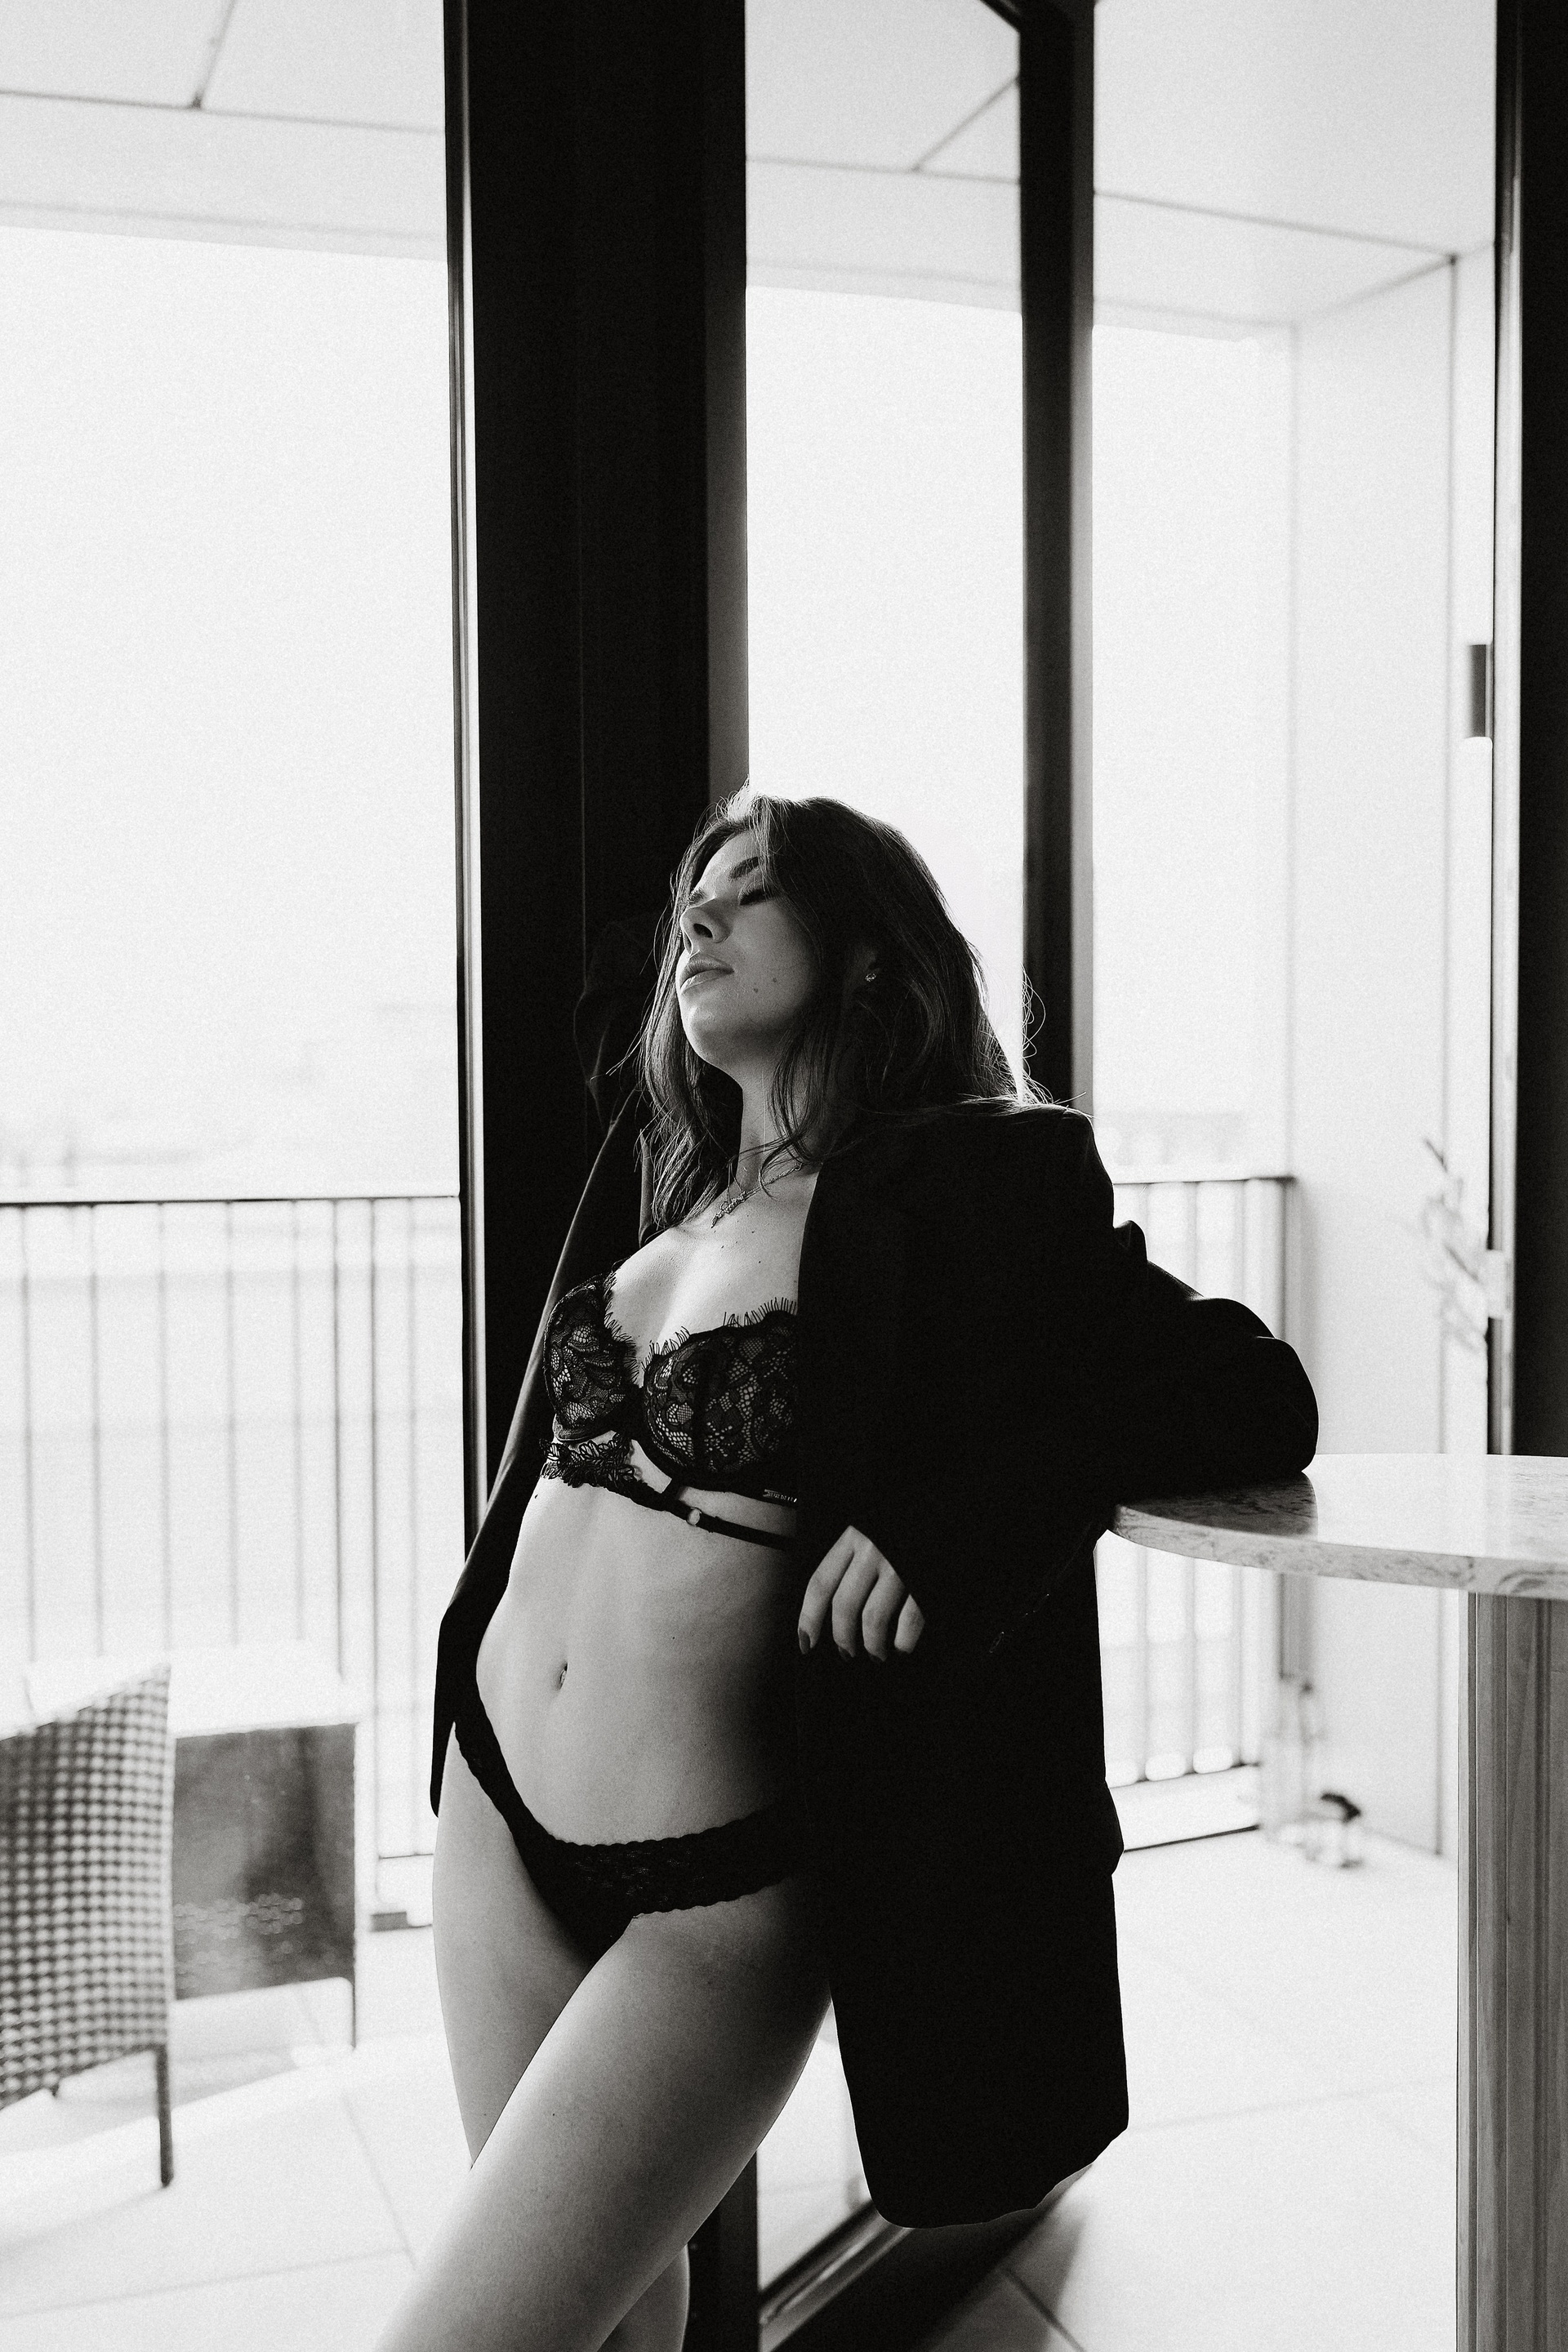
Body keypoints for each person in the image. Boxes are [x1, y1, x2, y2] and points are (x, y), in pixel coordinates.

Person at [381, 792, 1318, 2352]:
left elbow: (1250, 1390)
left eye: (750, 891)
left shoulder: (972, 1190)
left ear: (871, 954)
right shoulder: (668, 1191)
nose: (696, 918)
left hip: (718, 1881)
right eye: (694, 894)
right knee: (616, 2319)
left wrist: (964, 1523)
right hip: (492, 1817)